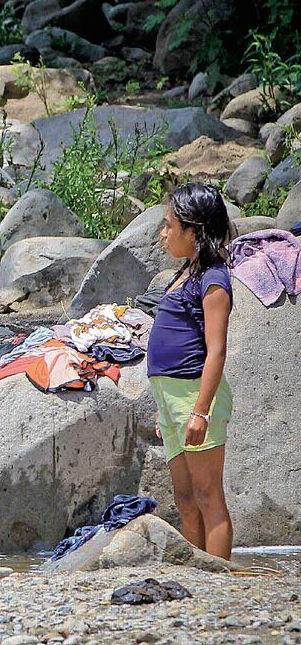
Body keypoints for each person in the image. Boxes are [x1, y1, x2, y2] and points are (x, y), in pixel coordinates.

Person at [147, 182, 234, 560]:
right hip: (172, 400)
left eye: (169, 225)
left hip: (195, 396)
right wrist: (163, 404)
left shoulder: (213, 278)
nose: (163, 233)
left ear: (194, 231)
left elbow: (216, 351)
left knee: (207, 494)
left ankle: (219, 577)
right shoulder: (186, 271)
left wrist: (200, 409)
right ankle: (195, 569)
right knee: (185, 497)